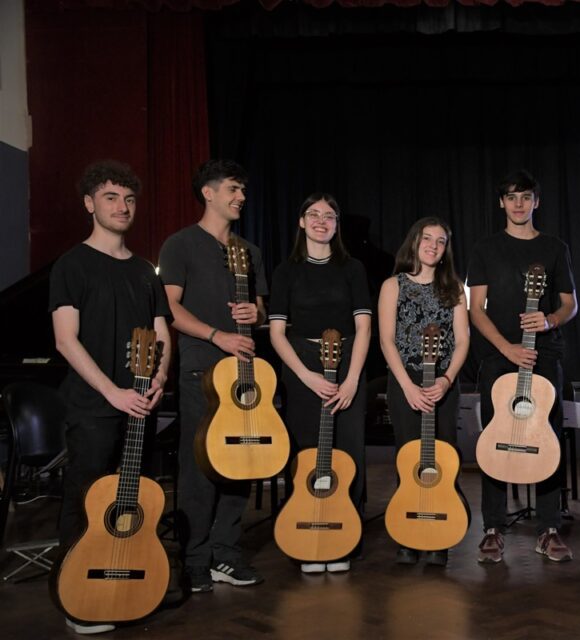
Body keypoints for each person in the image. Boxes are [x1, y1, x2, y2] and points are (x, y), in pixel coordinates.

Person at [50, 160, 171, 635]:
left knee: (134, 502)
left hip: (141, 404)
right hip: (95, 406)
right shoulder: (72, 265)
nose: (122, 207)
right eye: (110, 198)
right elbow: (65, 339)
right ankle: (77, 599)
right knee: (86, 503)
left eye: (129, 199)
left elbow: (163, 331)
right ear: (89, 204)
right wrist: (113, 392)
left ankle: (125, 585)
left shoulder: (144, 270)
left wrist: (159, 377)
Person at [158, 160, 268, 593]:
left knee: (244, 462)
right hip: (202, 369)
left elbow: (258, 309)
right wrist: (216, 334)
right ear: (208, 192)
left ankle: (226, 553)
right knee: (199, 467)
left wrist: (253, 314)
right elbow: (171, 308)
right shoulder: (181, 244)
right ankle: (196, 559)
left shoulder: (250, 251)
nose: (241, 197)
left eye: (242, 190)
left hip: (245, 373)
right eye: (233, 189)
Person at [466, 170, 578, 563]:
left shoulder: (553, 247)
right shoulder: (484, 248)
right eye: (511, 197)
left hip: (544, 355)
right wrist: (507, 348)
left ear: (536, 202)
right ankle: (493, 528)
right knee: (496, 436)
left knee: (547, 435)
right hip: (500, 356)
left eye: (525, 197)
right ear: (501, 203)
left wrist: (548, 321)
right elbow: (474, 309)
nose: (518, 204)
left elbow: (569, 304)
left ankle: (549, 528)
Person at [269, 193, 371, 574]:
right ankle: (307, 533)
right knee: (307, 451)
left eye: (330, 216)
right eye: (313, 214)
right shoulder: (286, 271)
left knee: (348, 452)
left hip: (347, 362)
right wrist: (305, 375)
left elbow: (363, 328)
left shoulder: (353, 268)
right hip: (302, 365)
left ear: (336, 224)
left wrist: (351, 380)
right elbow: (277, 333)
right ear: (301, 222)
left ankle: (344, 536)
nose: (321, 221)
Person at [377, 216, 470, 567]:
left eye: (441, 240)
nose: (433, 245)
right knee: (408, 457)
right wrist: (407, 387)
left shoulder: (454, 288)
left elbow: (463, 340)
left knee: (444, 455)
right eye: (426, 238)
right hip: (405, 379)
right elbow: (386, 340)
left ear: (446, 249)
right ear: (414, 243)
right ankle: (407, 530)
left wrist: (445, 380)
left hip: (443, 382)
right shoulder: (393, 285)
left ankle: (440, 537)